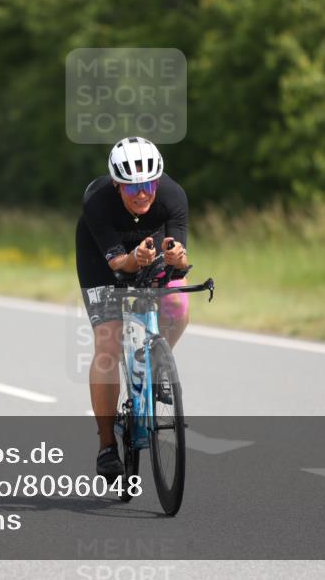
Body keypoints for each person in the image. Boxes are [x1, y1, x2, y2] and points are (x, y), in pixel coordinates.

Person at [75, 137, 191, 479]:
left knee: (178, 304)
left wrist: (178, 258)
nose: (142, 193)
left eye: (148, 185)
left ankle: (158, 363)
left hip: (149, 246)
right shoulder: (97, 201)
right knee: (108, 346)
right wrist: (132, 260)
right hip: (101, 258)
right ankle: (107, 444)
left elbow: (181, 263)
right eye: (131, 188)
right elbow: (118, 264)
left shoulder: (173, 196)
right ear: (117, 184)